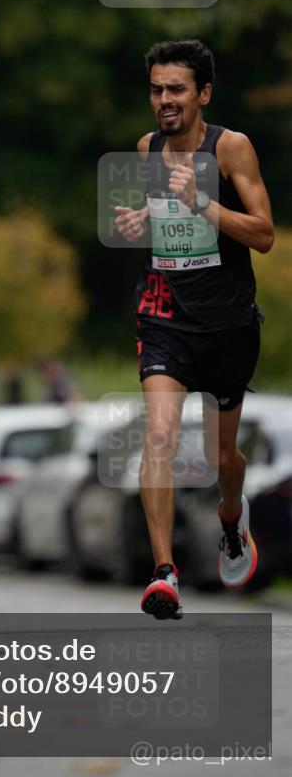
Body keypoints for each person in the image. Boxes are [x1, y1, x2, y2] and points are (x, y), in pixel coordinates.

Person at [114, 39, 274, 620]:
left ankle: (232, 517)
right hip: (165, 316)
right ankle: (164, 574)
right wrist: (142, 221)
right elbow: (169, 224)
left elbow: (263, 233)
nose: (164, 100)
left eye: (176, 89)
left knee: (221, 454)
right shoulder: (147, 148)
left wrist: (202, 200)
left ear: (203, 93)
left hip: (228, 322)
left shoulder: (231, 148)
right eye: (156, 89)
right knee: (158, 435)